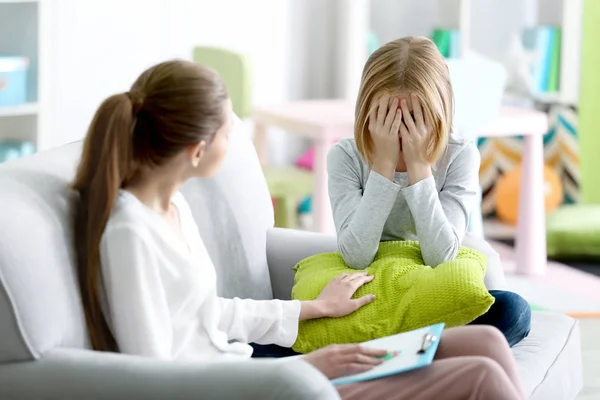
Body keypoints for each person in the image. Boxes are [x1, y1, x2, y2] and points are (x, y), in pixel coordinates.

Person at [72, 59, 525, 399]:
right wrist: (308, 366)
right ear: (196, 150)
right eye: (230, 129)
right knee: (481, 375)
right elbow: (152, 376)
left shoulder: (172, 208)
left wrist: (312, 308)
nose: (236, 140)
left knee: (486, 336)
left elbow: (209, 313)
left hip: (251, 366)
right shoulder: (129, 234)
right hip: (254, 387)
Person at [327, 36, 531, 347]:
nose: (401, 129)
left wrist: (419, 167)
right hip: (375, 287)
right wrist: (383, 164)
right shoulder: (345, 156)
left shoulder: (459, 155)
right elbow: (355, 256)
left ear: (439, 111)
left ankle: (405, 346)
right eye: (388, 116)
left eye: (414, 119)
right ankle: (418, 348)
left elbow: (441, 256)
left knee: (513, 311)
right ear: (367, 110)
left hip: (431, 287)